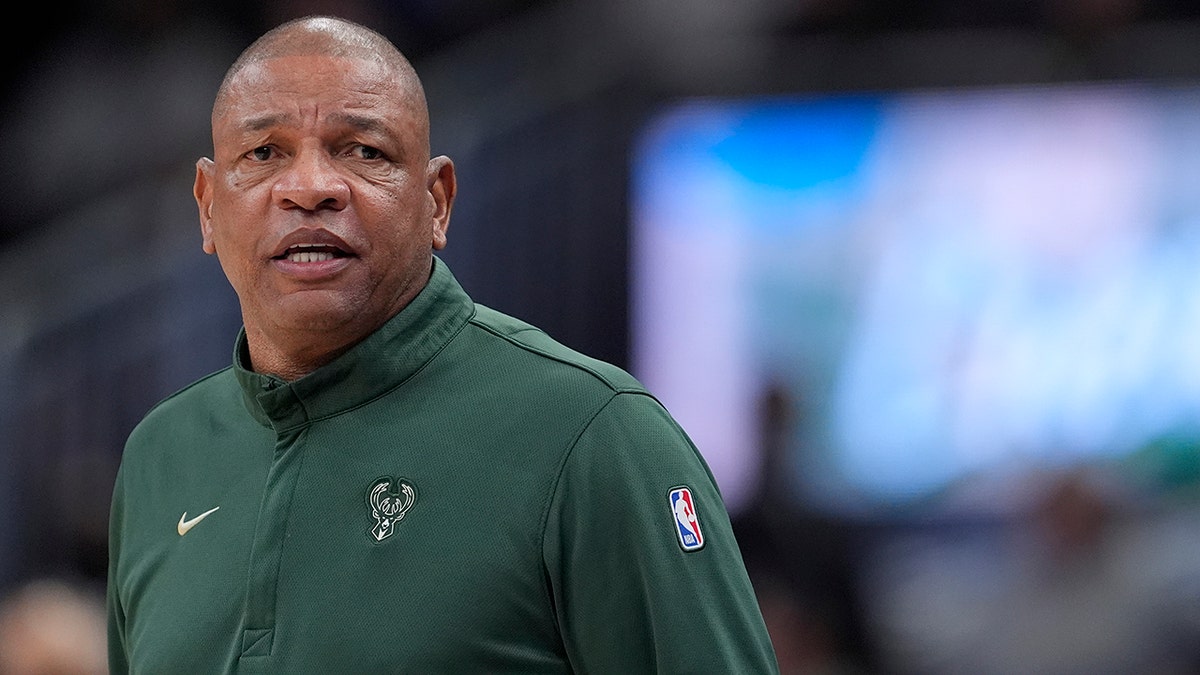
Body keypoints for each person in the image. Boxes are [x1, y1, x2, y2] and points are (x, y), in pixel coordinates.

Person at [105, 14, 779, 674]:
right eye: (262, 153)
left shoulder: (594, 433)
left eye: (364, 151)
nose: (310, 188)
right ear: (208, 206)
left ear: (438, 202)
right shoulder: (158, 456)